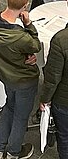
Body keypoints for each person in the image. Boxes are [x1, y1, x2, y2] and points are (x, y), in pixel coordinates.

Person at [0, 0, 41, 159]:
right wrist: (29, 24)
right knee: (21, 116)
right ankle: (14, 152)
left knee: (9, 106)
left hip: (5, 74)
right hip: (24, 80)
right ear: (25, 5)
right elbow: (35, 44)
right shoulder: (20, 37)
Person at [40, 24, 68, 159]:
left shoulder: (61, 39)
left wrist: (45, 99)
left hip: (64, 101)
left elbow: (52, 79)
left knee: (64, 135)